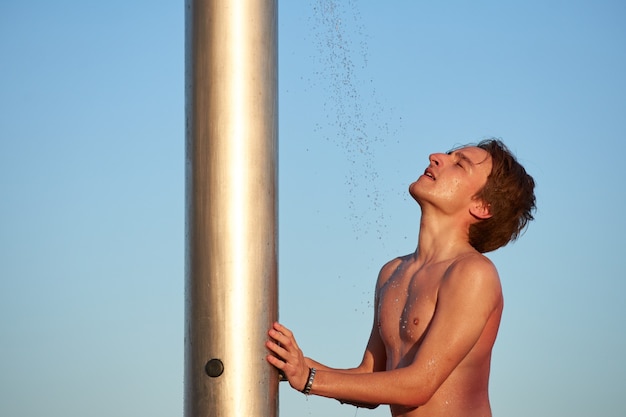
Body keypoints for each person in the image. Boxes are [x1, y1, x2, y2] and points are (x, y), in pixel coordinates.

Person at [266, 139, 536, 416]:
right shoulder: (392, 272)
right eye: (448, 154)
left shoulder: (473, 273)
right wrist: (296, 364)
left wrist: (311, 379)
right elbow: (369, 376)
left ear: (482, 206)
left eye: (460, 164)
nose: (436, 156)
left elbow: (418, 386)